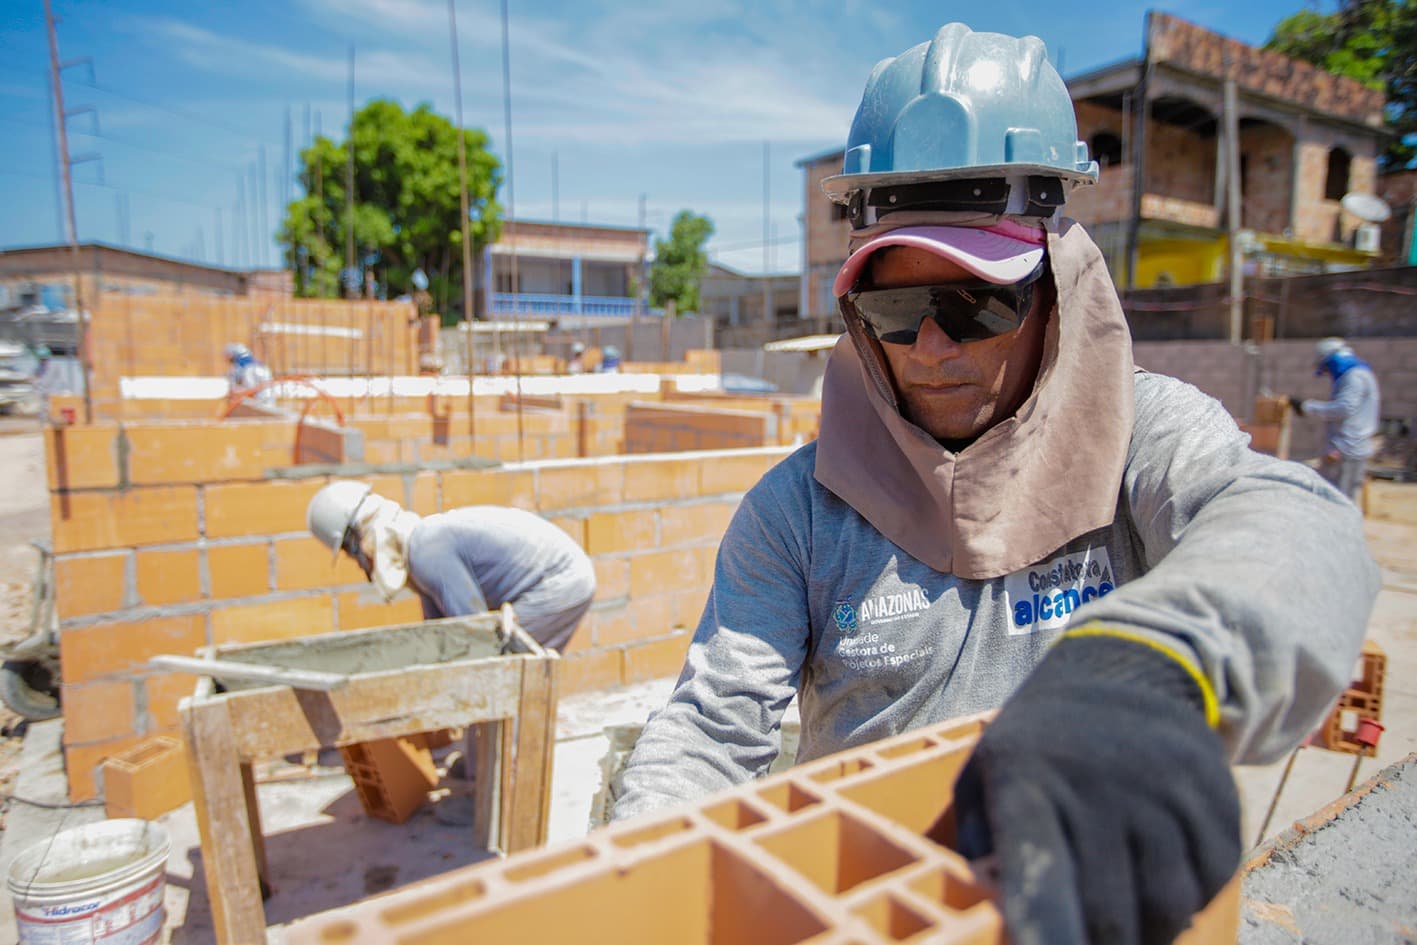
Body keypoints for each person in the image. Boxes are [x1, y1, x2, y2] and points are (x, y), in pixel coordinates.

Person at [614, 23, 1378, 945]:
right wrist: (628, 880)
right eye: (896, 311)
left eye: (977, 303)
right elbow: (709, 728)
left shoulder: (1141, 440)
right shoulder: (798, 512)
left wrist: (1157, 663)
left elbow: (1298, 527)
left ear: (1056, 291)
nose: (930, 350)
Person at [306, 481, 595, 651]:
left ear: (360, 540)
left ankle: (509, 753)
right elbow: (440, 632)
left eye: (351, 554)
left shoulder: (425, 552)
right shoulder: (419, 550)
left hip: (559, 582)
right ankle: (492, 751)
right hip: (560, 577)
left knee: (499, 661)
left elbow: (472, 630)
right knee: (495, 663)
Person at [1289, 337, 1380, 502]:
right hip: (1350, 447)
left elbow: (1344, 409)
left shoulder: (1354, 377)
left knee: (1339, 500)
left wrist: (1307, 407)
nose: (1328, 374)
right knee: (1342, 498)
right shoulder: (1360, 374)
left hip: (1347, 448)